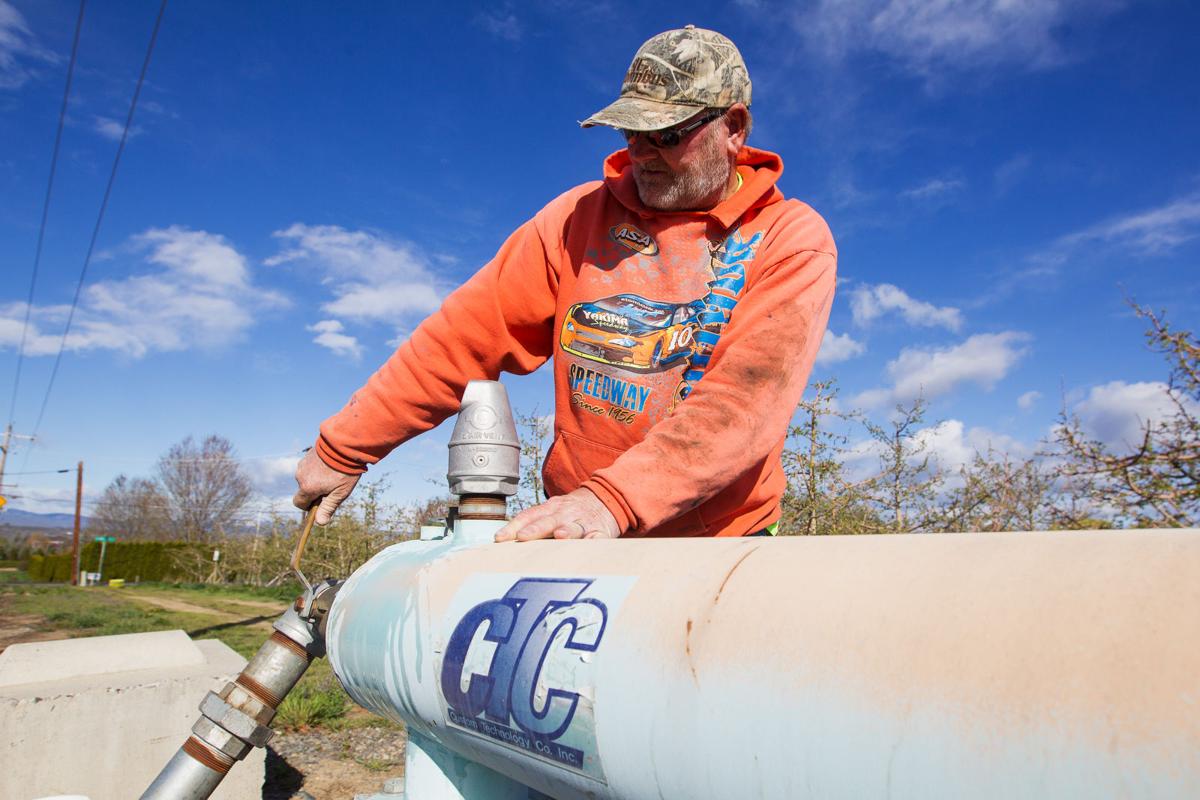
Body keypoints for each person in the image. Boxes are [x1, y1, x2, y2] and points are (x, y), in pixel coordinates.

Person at [293, 25, 837, 541]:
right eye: (632, 131)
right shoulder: (576, 217)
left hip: (719, 539)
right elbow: (465, 336)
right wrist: (344, 449)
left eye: (666, 135)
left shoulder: (790, 238)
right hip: (581, 528)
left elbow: (742, 404)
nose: (642, 154)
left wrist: (611, 501)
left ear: (733, 128)